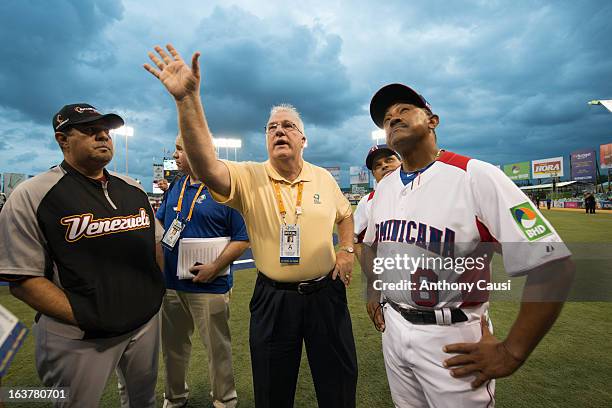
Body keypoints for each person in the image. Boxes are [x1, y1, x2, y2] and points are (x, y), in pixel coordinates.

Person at [144, 44, 357, 408]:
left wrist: (347, 248)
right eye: (271, 127)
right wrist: (188, 101)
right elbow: (206, 165)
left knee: (337, 387)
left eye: (288, 125)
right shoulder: (249, 176)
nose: (279, 131)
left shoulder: (324, 178)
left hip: (326, 296)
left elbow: (345, 215)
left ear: (303, 139)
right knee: (272, 392)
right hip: (273, 298)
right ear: (265, 139)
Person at [361, 83, 574, 407]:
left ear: (432, 120)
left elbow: (554, 263)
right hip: (394, 329)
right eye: (387, 118)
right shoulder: (384, 189)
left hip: (453, 338)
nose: (393, 119)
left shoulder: (476, 176)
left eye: (403, 110)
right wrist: (374, 291)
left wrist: (512, 351)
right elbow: (375, 249)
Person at [0, 103, 165, 408]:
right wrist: (91, 316)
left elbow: (154, 243)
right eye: (90, 131)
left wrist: (153, 293)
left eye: (107, 131)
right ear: (62, 139)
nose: (103, 137)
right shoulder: (32, 194)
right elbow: (22, 279)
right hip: (78, 335)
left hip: (142, 325)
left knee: (144, 401)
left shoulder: (132, 188)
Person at [156, 134, 249, 408]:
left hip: (210, 286)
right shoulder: (177, 185)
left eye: (180, 149)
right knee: (172, 350)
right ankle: (174, 398)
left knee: (217, 350)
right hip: (172, 285)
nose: (175, 155)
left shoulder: (226, 189)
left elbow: (242, 238)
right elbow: (161, 227)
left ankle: (224, 401)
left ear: (200, 150)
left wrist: (214, 267)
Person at [354, 144, 401, 260]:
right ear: (374, 174)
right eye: (377, 165)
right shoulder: (367, 201)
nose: (384, 165)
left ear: (401, 162)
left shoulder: (420, 189)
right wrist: (371, 270)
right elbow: (353, 238)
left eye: (389, 160)